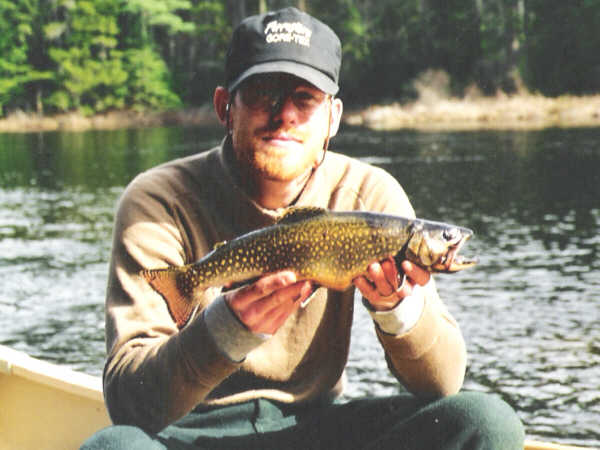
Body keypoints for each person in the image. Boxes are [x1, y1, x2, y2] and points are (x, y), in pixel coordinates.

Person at [82, 7, 524, 450]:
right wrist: (227, 327)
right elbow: (129, 402)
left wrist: (398, 309)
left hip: (316, 427)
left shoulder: (369, 195)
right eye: (262, 93)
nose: (285, 114)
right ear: (224, 108)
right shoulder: (158, 201)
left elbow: (444, 382)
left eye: (304, 98)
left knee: (486, 422)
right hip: (186, 433)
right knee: (113, 447)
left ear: (332, 117)